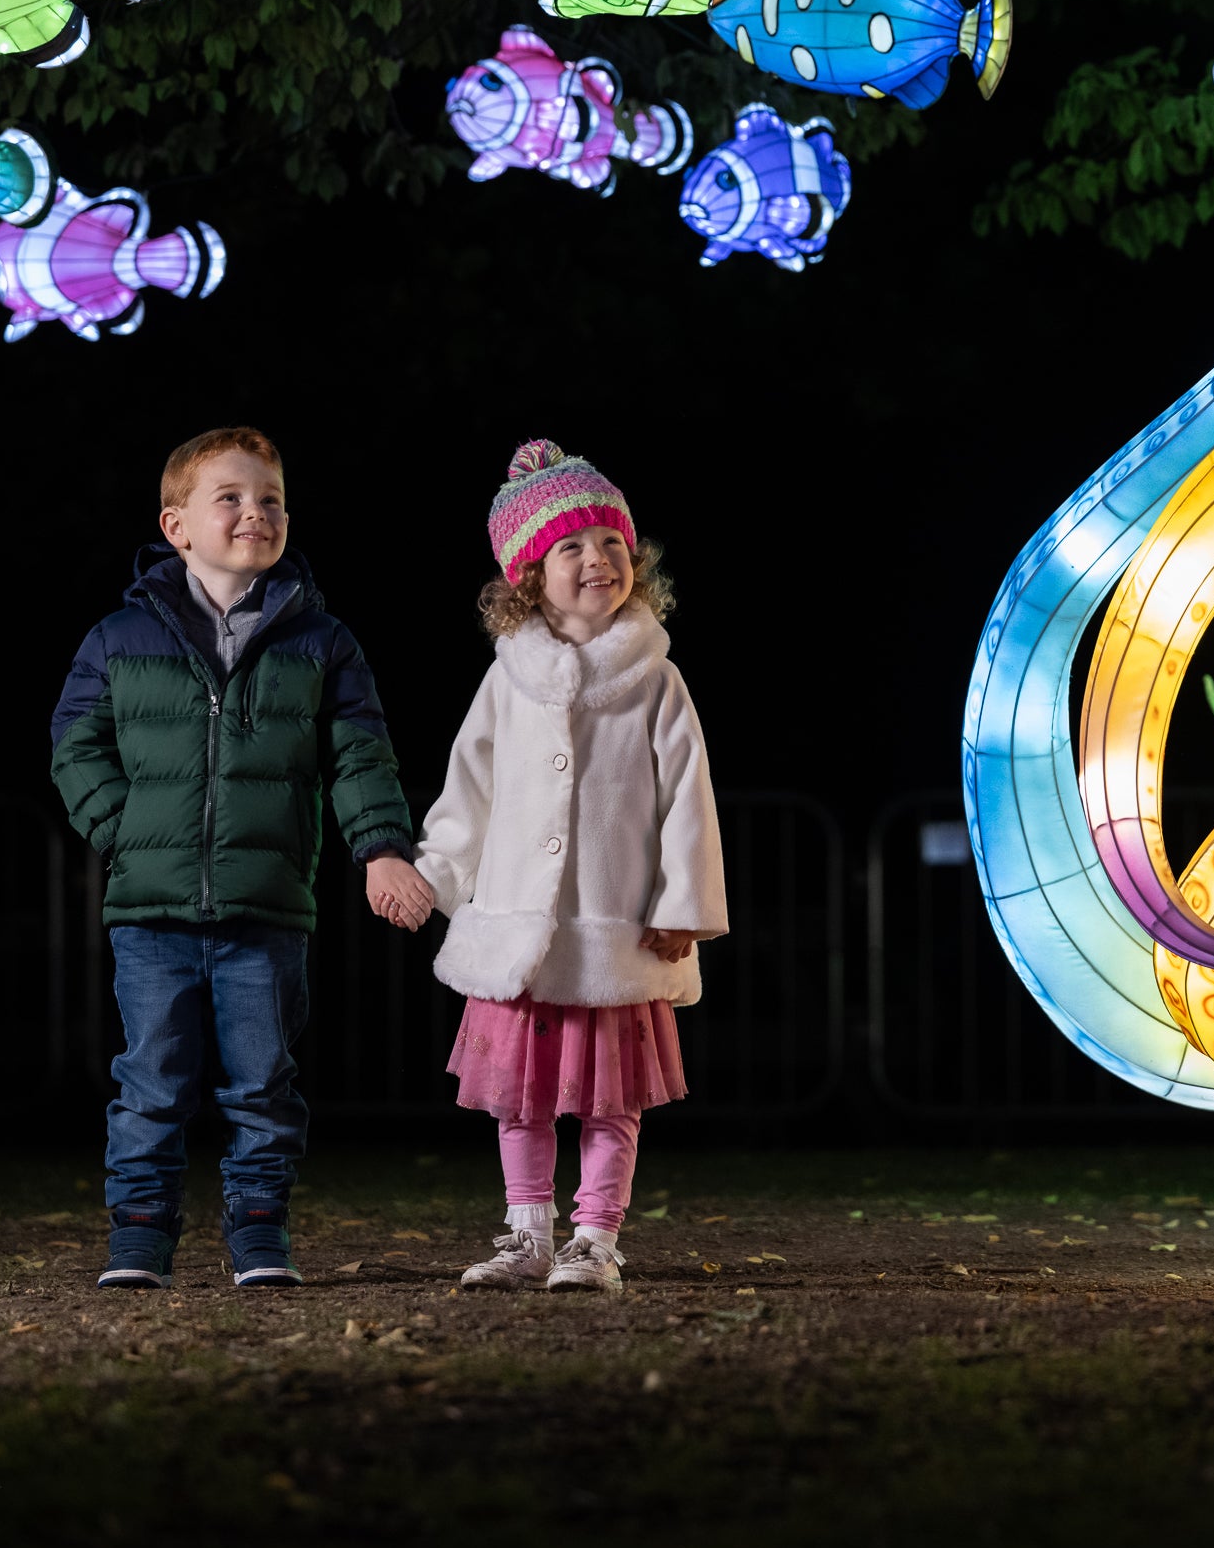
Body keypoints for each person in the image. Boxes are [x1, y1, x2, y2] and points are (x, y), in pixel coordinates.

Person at [49, 426, 435, 1292]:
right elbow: (75, 745)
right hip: (150, 914)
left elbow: (360, 755)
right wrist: (128, 829)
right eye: (230, 497)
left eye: (269, 499)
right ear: (177, 523)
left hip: (266, 910)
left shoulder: (323, 642)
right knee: (151, 1079)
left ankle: (260, 1234)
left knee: (263, 1084)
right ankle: (140, 1237)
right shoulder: (119, 637)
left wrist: (379, 849)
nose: (254, 511)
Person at [417, 439, 726, 1296]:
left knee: (608, 1096)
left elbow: (687, 803)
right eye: (570, 548)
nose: (597, 561)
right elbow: (468, 789)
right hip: (520, 925)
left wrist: (683, 904)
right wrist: (435, 875)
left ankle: (593, 1237)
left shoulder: (658, 683)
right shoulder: (505, 681)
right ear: (527, 576)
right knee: (520, 1095)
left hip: (616, 926)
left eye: (612, 545)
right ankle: (525, 1232)